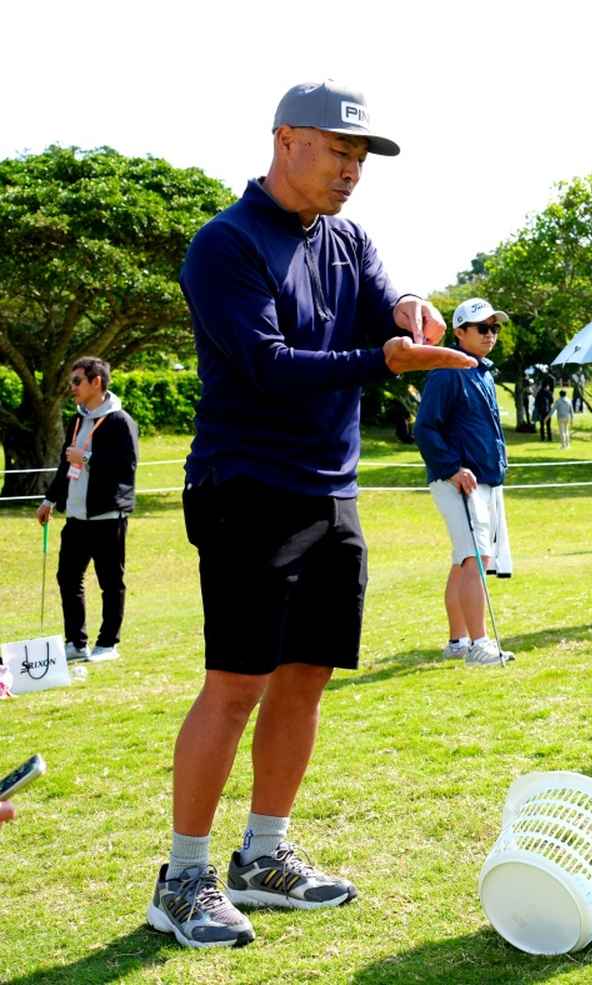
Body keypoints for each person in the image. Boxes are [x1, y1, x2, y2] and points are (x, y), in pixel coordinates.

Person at [155, 80, 472, 950]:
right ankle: (183, 876)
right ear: (286, 138)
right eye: (339, 151)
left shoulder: (349, 238)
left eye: (361, 159)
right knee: (237, 683)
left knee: (306, 677)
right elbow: (266, 362)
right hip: (246, 486)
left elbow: (386, 309)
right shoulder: (225, 244)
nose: (351, 171)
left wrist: (408, 307)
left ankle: (263, 857)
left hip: (331, 489)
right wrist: (385, 354)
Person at [415, 299, 513, 666]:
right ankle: (479, 644)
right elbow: (424, 428)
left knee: (463, 560)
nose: (491, 334)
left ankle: (458, 640)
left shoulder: (482, 372)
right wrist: (452, 467)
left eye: (495, 327)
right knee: (476, 558)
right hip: (459, 481)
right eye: (482, 328)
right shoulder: (446, 372)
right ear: (459, 333)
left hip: (481, 480)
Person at [35, 357, 139, 664]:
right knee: (67, 577)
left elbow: (126, 468)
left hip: (108, 518)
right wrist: (49, 500)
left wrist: (88, 457)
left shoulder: (121, 421)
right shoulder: (77, 419)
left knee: (110, 582)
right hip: (77, 517)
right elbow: (67, 463)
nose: (72, 388)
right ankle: (76, 643)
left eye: (77, 381)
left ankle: (108, 644)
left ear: (97, 382)